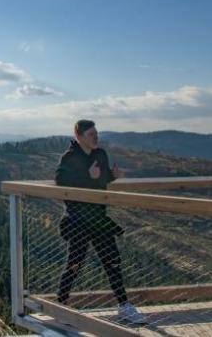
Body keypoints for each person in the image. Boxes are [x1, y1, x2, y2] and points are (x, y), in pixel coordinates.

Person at [55, 119, 147, 325]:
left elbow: (101, 179)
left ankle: (124, 306)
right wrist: (88, 177)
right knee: (74, 264)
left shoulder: (100, 154)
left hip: (98, 219)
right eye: (91, 134)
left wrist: (111, 176)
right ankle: (60, 306)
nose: (96, 137)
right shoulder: (69, 158)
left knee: (112, 262)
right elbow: (61, 183)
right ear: (79, 137)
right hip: (78, 220)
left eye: (96, 134)